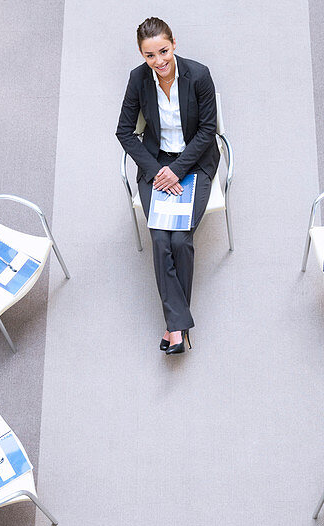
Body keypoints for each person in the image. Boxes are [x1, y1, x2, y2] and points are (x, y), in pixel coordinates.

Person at [116, 17, 220, 355]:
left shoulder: (199, 75)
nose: (159, 61)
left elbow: (207, 131)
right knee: (161, 237)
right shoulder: (138, 80)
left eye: (163, 51)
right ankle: (178, 325)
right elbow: (124, 132)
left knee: (181, 239)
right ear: (142, 56)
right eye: (150, 56)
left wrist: (177, 170)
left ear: (174, 44)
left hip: (195, 162)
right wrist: (157, 169)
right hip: (156, 163)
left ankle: (173, 325)